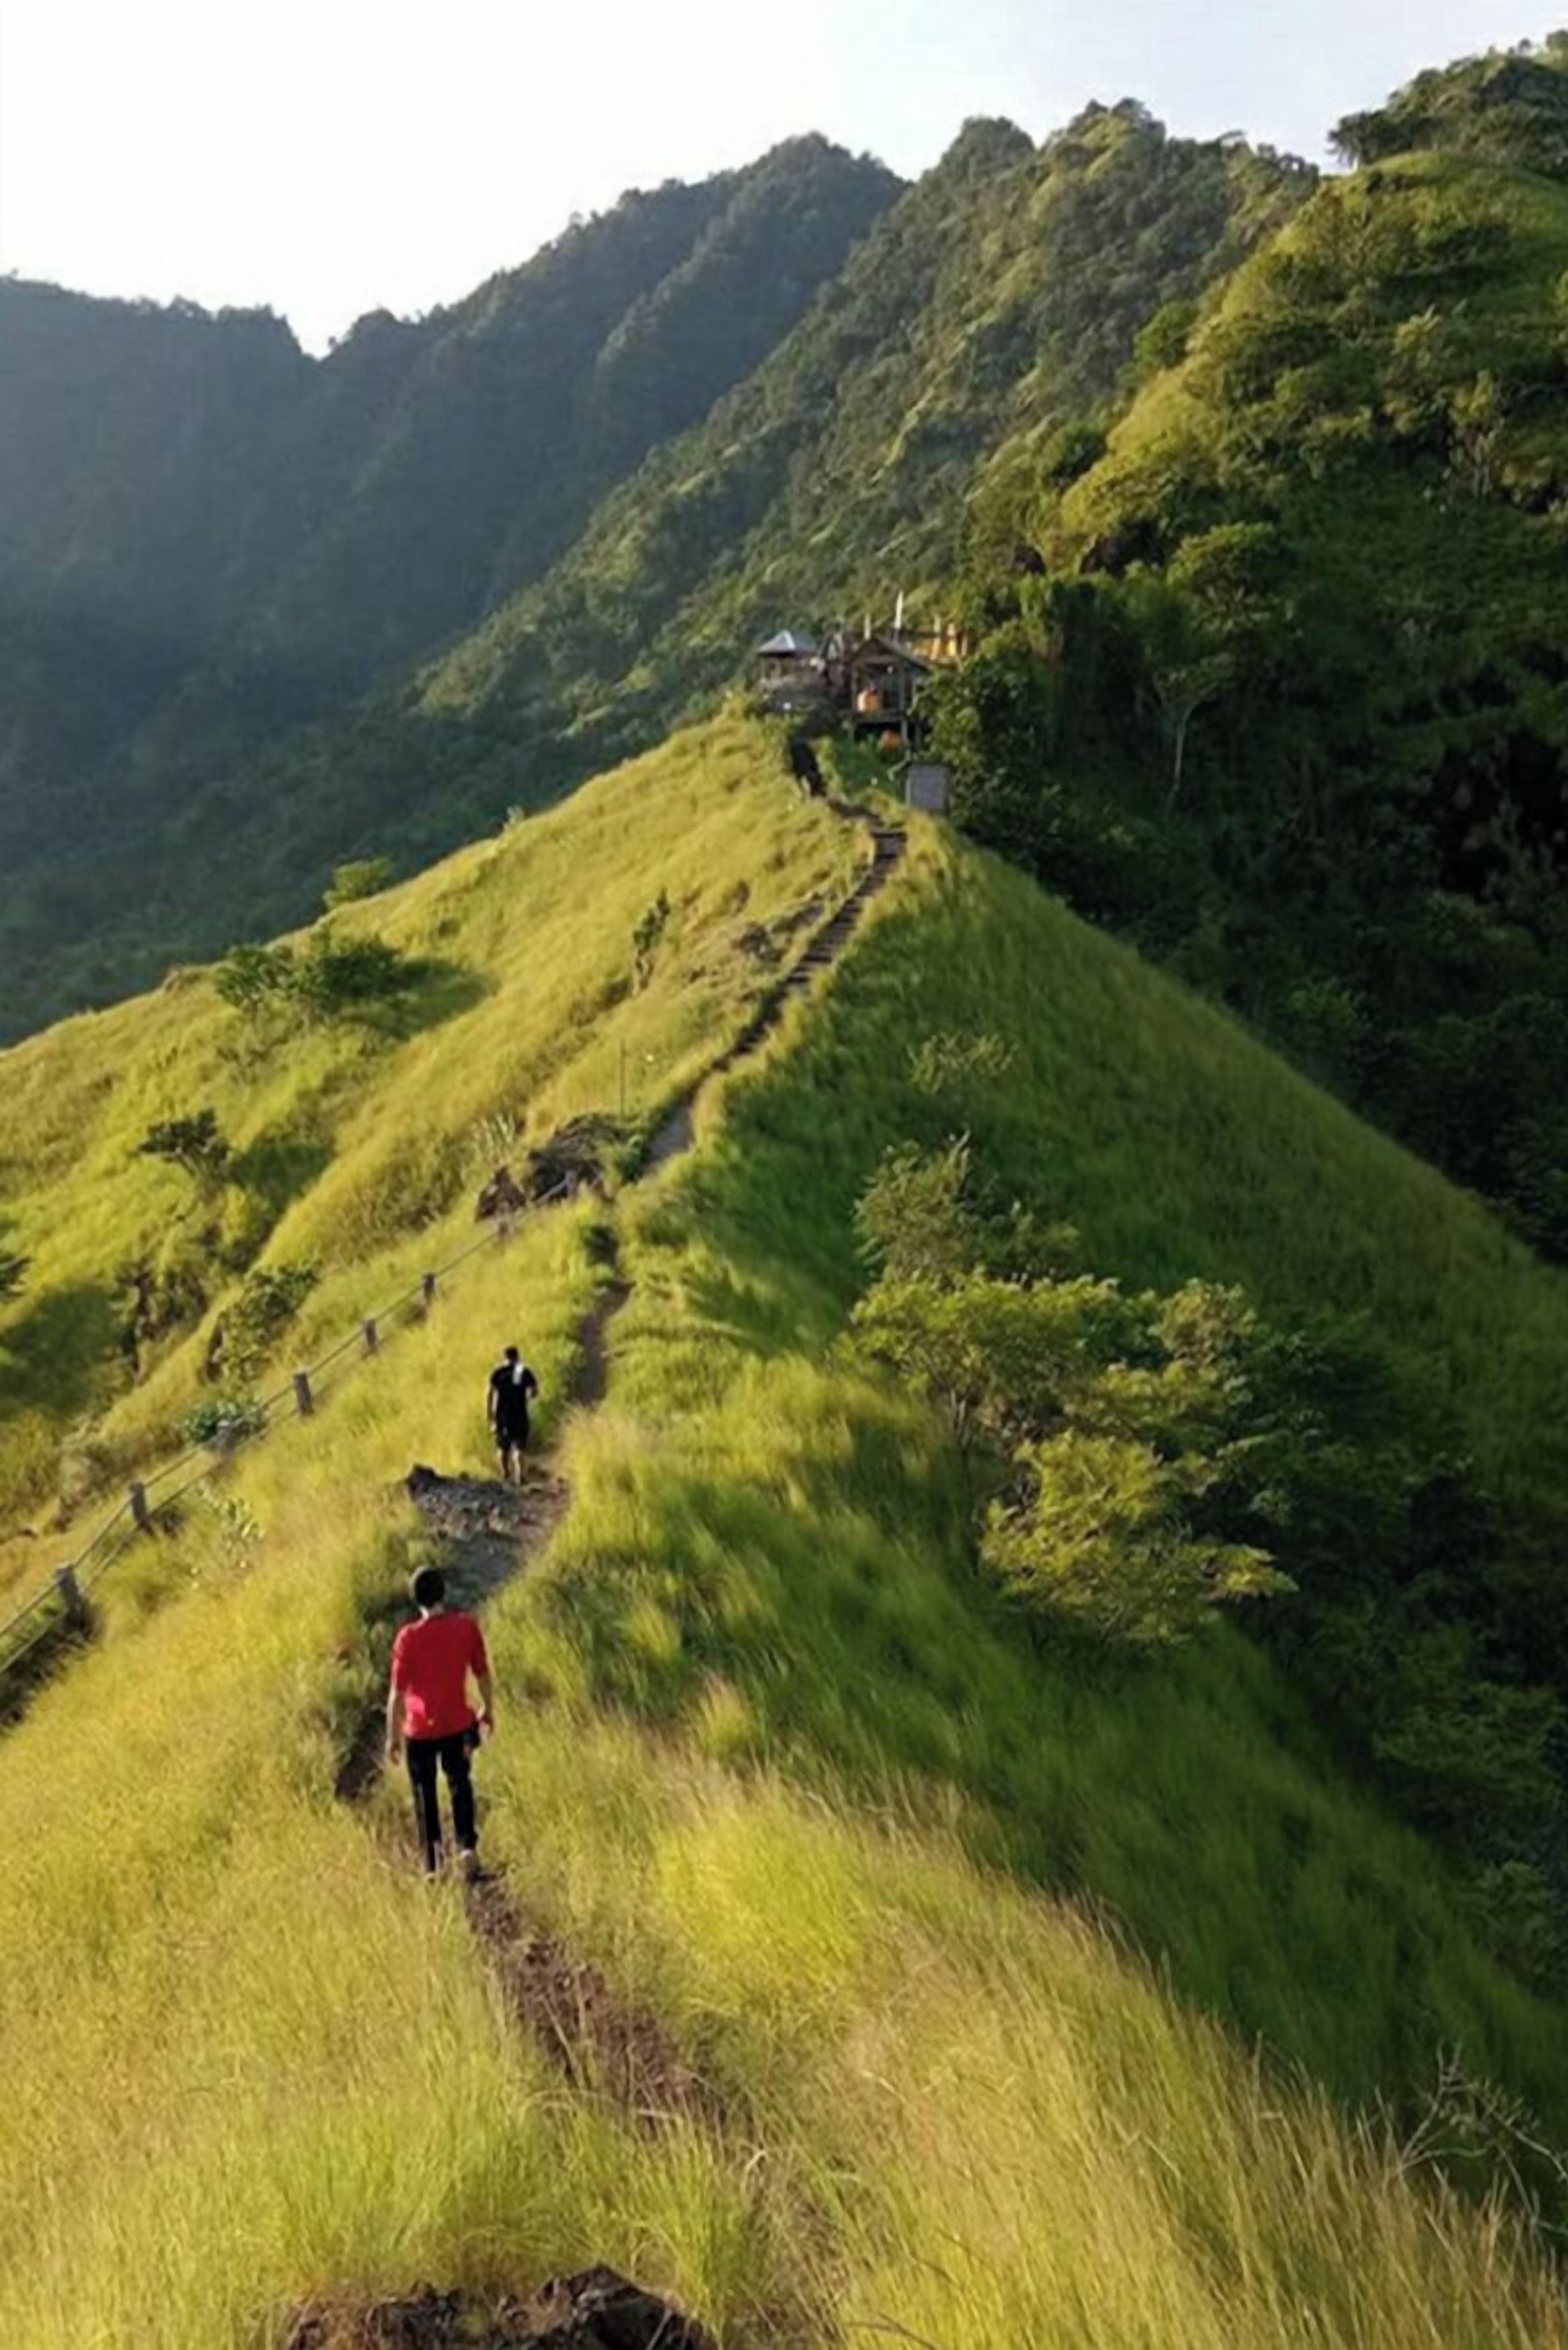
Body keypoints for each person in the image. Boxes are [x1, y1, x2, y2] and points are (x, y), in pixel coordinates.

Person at [384, 1564, 494, 1877]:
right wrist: (488, 1709)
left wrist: (392, 1736)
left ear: (415, 1599)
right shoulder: (465, 1628)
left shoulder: (408, 1638)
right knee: (461, 1783)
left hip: (419, 1731)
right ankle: (466, 1847)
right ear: (443, 1593)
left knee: (424, 1792)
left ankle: (432, 1862)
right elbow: (482, 1674)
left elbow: (397, 1694)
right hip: (459, 1724)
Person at [487, 1344, 539, 1483]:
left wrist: (490, 1415)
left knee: (502, 1446)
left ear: (505, 1357)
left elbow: (491, 1393)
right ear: (518, 1356)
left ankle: (505, 1473)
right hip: (520, 1413)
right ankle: (519, 1475)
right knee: (519, 1446)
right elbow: (535, 1391)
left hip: (502, 1415)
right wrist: (526, 1398)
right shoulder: (523, 1371)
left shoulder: (498, 1372)